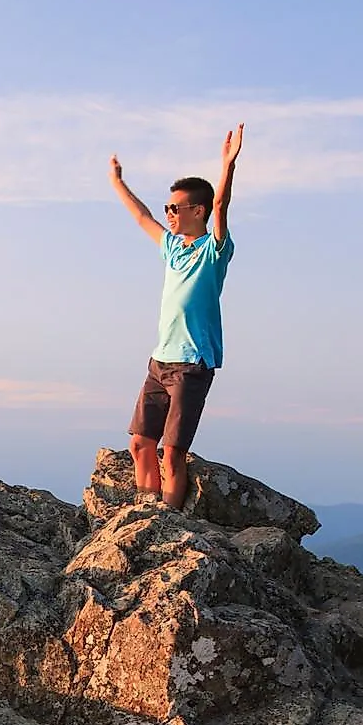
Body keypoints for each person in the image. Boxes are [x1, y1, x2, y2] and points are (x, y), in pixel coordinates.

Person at [109, 125, 242, 508]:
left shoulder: (214, 249)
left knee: (173, 453)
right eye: (167, 207)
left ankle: (168, 520)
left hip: (192, 364)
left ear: (196, 211)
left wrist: (227, 166)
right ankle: (148, 511)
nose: (168, 214)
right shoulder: (172, 248)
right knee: (139, 443)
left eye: (175, 208)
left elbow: (221, 207)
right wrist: (118, 182)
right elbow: (140, 216)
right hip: (159, 360)